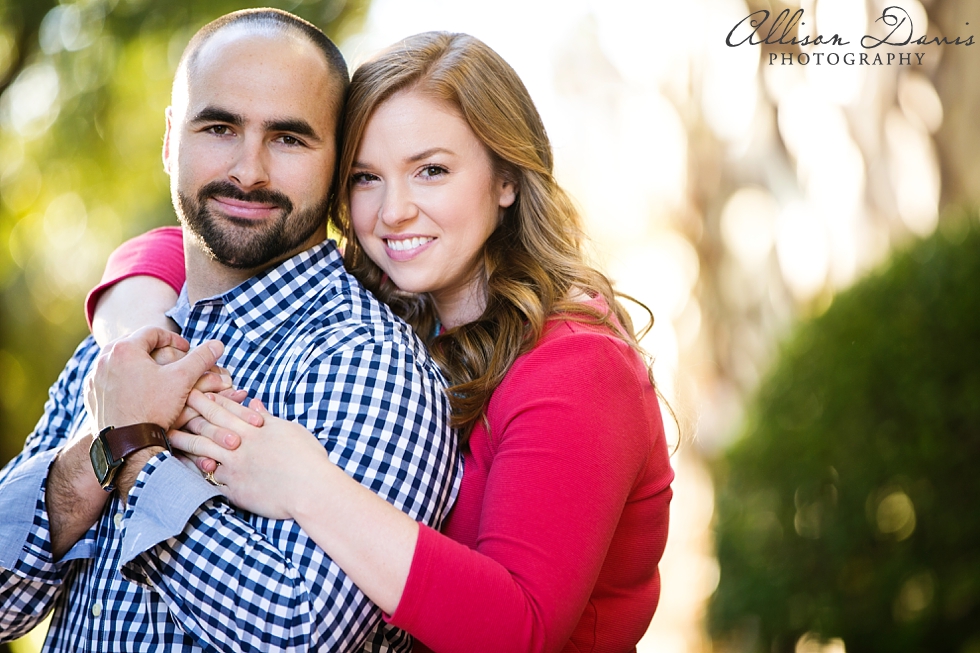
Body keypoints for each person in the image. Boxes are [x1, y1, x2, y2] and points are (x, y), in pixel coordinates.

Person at [86, 31, 674, 653]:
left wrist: (312, 488)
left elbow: (519, 630)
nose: (394, 210)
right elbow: (194, 242)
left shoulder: (578, 363)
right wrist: (134, 333)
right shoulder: (402, 304)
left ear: (506, 179)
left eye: (431, 171)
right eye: (367, 177)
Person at [0, 10, 460, 653]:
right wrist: (95, 453)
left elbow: (301, 636)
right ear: (170, 141)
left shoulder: (368, 362)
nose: (249, 171)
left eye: (289, 139)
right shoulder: (123, 344)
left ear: (337, 170)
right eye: (219, 127)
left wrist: (134, 447)